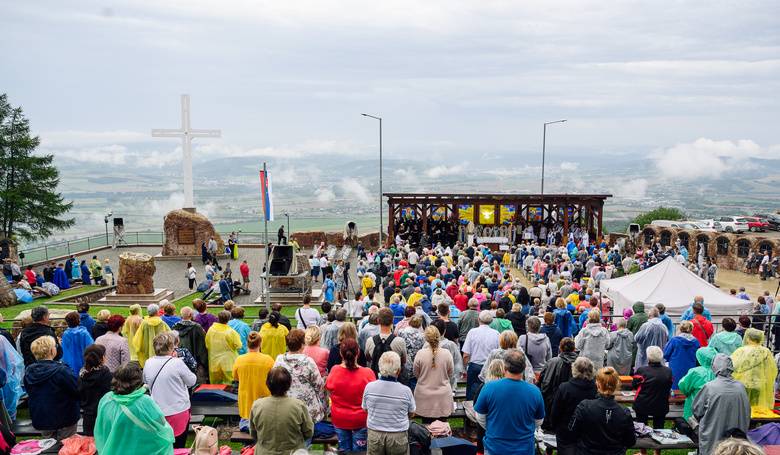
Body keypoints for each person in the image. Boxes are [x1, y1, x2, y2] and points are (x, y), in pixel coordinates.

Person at [474, 349, 545, 455]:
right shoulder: (534, 391)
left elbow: (480, 417)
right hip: (524, 448)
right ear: (524, 367)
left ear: (505, 366)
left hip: (495, 447)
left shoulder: (489, 387)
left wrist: (494, 427)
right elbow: (538, 421)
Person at [94, 362, 175, 454]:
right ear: (137, 381)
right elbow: (161, 424)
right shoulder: (144, 402)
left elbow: (101, 428)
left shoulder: (106, 399)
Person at [143, 332, 197, 448]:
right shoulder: (177, 363)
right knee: (178, 445)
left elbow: (146, 382)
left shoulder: (148, 362)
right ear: (171, 347)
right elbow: (192, 381)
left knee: (162, 445)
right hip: (178, 410)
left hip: (158, 410)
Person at [693, 354, 751, 455]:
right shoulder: (741, 387)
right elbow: (747, 410)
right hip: (737, 439)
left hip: (712, 435)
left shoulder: (709, 387)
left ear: (714, 366)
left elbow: (697, 410)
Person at [325, 338, 376, 453]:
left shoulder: (335, 371)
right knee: (359, 452)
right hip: (360, 419)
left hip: (341, 418)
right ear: (358, 352)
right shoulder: (367, 373)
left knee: (345, 451)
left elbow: (329, 391)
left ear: (340, 353)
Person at [24, 336, 80, 440]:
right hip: (65, 418)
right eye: (55, 346)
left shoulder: (29, 370)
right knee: (66, 447)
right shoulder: (62, 371)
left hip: (43, 417)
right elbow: (77, 391)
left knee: (49, 445)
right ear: (52, 350)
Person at [569, 367, 636, 454]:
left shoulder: (584, 406)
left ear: (598, 384)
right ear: (616, 384)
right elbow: (630, 441)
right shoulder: (624, 412)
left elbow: (572, 431)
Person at [362, 351, 416, 455]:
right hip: (398, 434)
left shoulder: (369, 387)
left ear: (379, 367)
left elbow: (365, 409)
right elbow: (412, 413)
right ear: (398, 371)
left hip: (375, 432)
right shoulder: (406, 391)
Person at [249, 366, 313, 454]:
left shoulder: (257, 405)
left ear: (267, 383)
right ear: (289, 384)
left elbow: (253, 433)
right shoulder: (298, 406)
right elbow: (308, 432)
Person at [274, 328, 326, 423]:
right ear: (302, 345)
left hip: (288, 408)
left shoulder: (279, 360)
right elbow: (319, 386)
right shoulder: (307, 361)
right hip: (303, 410)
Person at [548, 357, 597, 455]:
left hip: (566, 433)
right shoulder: (595, 388)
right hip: (587, 431)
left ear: (575, 370)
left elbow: (555, 412)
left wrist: (554, 426)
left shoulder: (565, 388)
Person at [232, 331, 275, 430]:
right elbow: (273, 378)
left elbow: (235, 377)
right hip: (264, 403)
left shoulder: (239, 360)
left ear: (247, 343)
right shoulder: (268, 360)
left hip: (246, 402)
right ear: (260, 343)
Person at [413, 326, 455, 422]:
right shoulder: (447, 353)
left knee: (427, 427)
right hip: (442, 396)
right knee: (442, 427)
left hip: (424, 395)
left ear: (426, 338)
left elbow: (416, 373)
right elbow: (450, 373)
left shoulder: (420, 353)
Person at [731, 328, 778, 412]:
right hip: (760, 383)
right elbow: (772, 369)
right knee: (756, 407)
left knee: (742, 407)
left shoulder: (741, 351)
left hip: (743, 383)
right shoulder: (766, 352)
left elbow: (733, 366)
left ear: (748, 338)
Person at [539, 337, 578, 430]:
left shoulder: (552, 362)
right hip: (572, 405)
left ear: (560, 348)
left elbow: (542, 381)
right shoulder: (580, 363)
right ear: (574, 348)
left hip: (552, 402)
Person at [632, 346, 673, 431]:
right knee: (659, 428)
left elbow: (634, 385)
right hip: (661, 405)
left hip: (643, 404)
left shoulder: (642, 370)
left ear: (648, 357)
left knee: (641, 427)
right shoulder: (668, 371)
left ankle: (643, 441)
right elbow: (669, 385)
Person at [462, 310, 500, 400]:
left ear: (479, 319)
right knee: (489, 392)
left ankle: (471, 409)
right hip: (490, 367)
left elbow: (466, 354)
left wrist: (465, 367)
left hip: (475, 366)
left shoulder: (472, 332)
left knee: (472, 393)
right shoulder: (496, 334)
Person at [77, 345, 112, 436]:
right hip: (104, 416)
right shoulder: (107, 375)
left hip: (88, 417)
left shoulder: (82, 375)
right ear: (102, 358)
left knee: (90, 446)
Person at [364, 307, 408, 379]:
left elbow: (368, 358)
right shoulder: (400, 341)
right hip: (394, 378)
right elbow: (403, 361)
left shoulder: (370, 341)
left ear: (378, 320)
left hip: (376, 378)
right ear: (392, 320)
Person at [678, 346, 717, 421]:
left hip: (695, 406)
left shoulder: (695, 372)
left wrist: (688, 393)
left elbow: (683, 385)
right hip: (714, 409)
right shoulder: (719, 371)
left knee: (692, 426)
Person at [172, 306, 209, 382]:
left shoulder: (175, 327)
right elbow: (202, 346)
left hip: (181, 359)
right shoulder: (197, 327)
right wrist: (204, 362)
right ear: (190, 315)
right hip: (196, 361)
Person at [204, 310, 242, 384]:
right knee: (231, 387)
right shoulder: (231, 332)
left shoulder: (211, 330)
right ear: (229, 319)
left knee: (215, 388)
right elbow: (239, 346)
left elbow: (207, 344)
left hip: (214, 363)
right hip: (229, 363)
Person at [663, 320, 700, 390]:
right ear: (691, 329)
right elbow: (698, 356)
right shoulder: (695, 342)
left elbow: (665, 354)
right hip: (690, 368)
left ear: (680, 328)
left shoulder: (674, 340)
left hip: (675, 368)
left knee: (675, 388)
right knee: (687, 387)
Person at [61, 311, 95, 376]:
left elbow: (63, 349)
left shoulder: (65, 334)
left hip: (69, 363)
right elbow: (92, 347)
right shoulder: (84, 333)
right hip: (83, 363)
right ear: (79, 321)